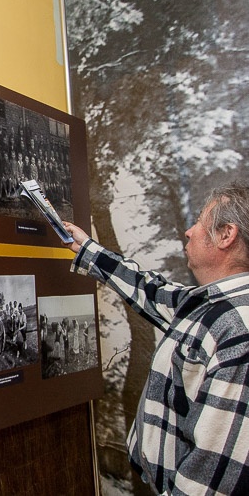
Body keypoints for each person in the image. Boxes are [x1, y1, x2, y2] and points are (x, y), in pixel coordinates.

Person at [63, 183, 249, 494]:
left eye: (199, 222)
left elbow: (211, 477)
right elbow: (149, 290)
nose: (189, 232)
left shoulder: (237, 330)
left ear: (226, 235)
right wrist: (87, 248)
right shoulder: (208, 306)